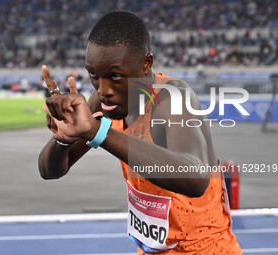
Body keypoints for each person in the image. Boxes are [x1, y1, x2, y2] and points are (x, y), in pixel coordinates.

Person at [38, 11, 242, 254]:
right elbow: (49, 171)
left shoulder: (172, 97)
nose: (103, 89)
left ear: (146, 64)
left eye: (115, 76)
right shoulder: (103, 100)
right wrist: (61, 141)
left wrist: (97, 132)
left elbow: (195, 178)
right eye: (94, 74)